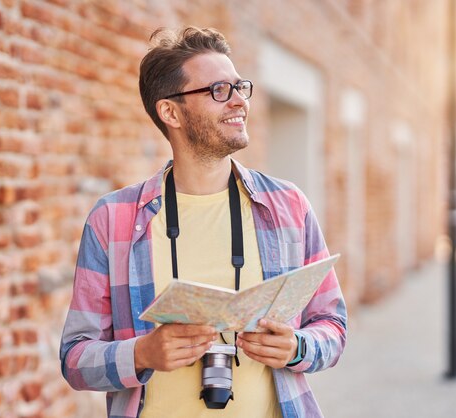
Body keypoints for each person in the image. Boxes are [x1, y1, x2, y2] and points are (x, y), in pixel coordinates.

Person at [59, 26, 347, 418]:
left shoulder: (289, 205)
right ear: (170, 112)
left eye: (239, 87)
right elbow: (75, 359)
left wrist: (299, 347)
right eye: (218, 91)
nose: (238, 102)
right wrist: (142, 353)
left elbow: (332, 325)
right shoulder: (112, 219)